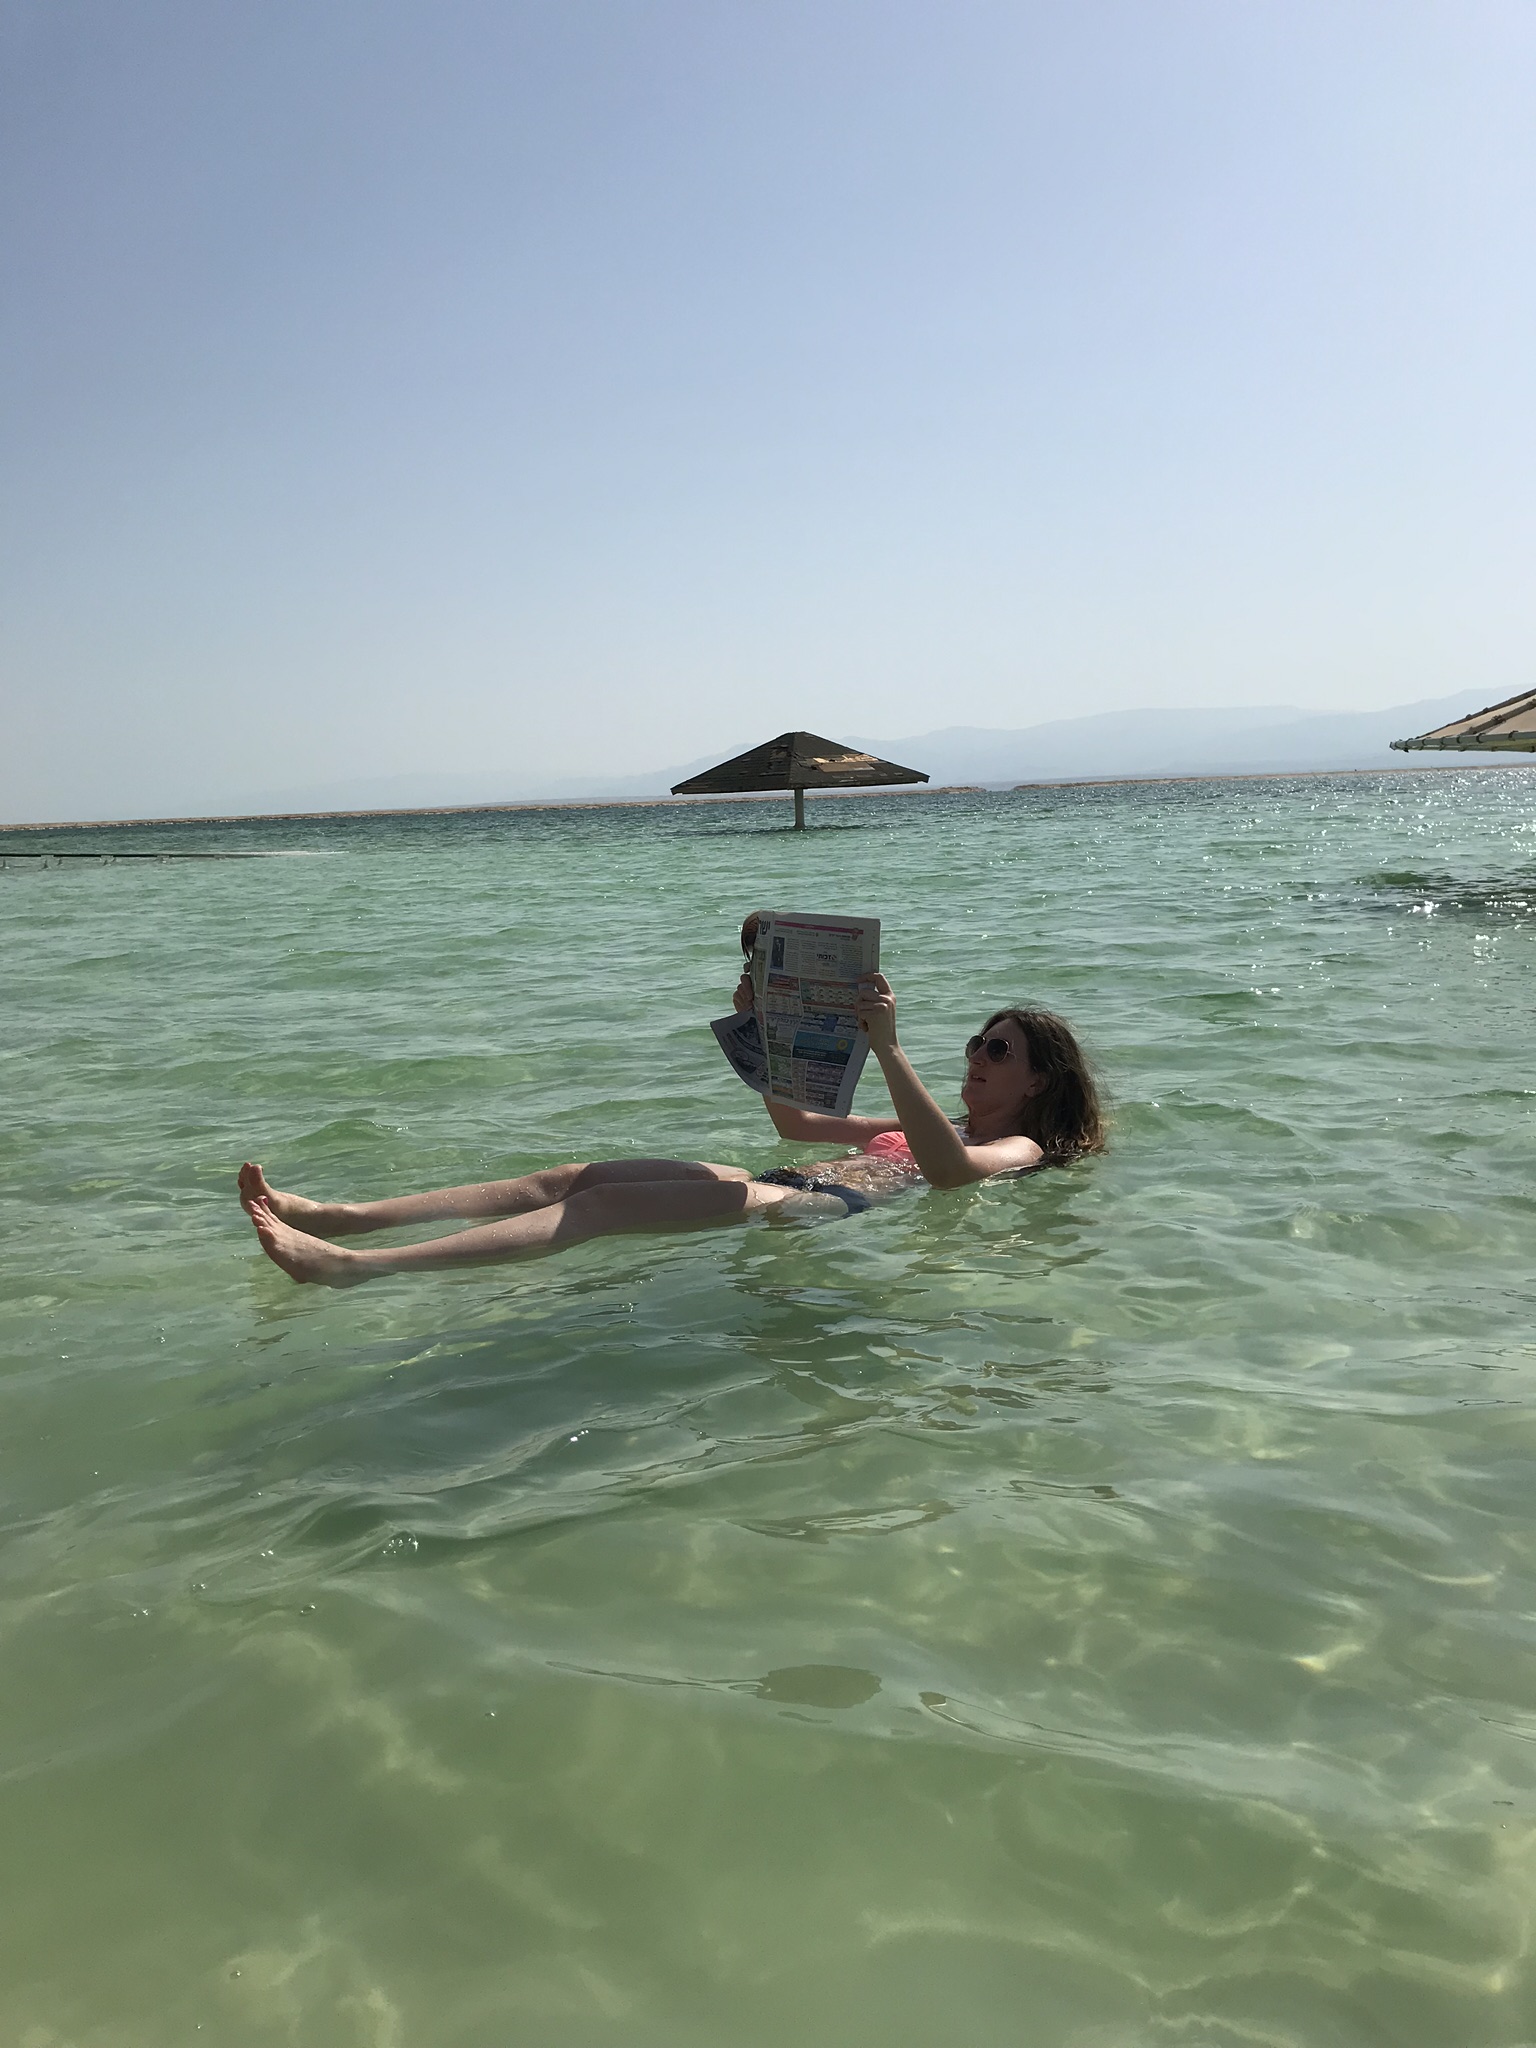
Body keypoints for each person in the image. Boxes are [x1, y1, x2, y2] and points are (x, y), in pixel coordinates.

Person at [242, 970, 1104, 1288]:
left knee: (602, 1211)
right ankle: (347, 1217)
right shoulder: (940, 1119)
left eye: (999, 1049)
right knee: (577, 1178)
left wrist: (888, 1047)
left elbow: (950, 1176)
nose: (978, 1055)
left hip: (817, 1209)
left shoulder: (1022, 1146)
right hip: (787, 1182)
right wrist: (763, 1029)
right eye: (976, 1042)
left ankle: (356, 1269)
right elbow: (798, 1123)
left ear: (1038, 1080)